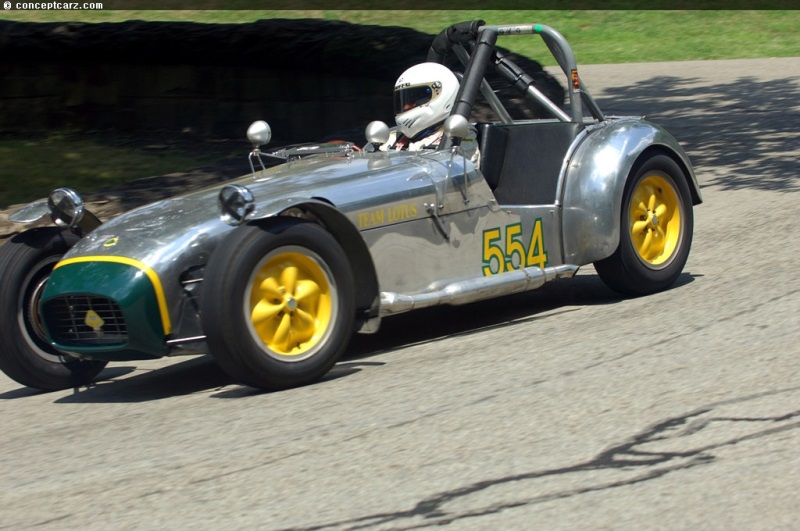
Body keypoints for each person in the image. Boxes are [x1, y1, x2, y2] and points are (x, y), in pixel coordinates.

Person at [381, 62, 479, 164]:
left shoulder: (461, 134)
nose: (405, 106)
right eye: (403, 100)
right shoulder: (391, 137)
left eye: (414, 99)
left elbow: (459, 172)